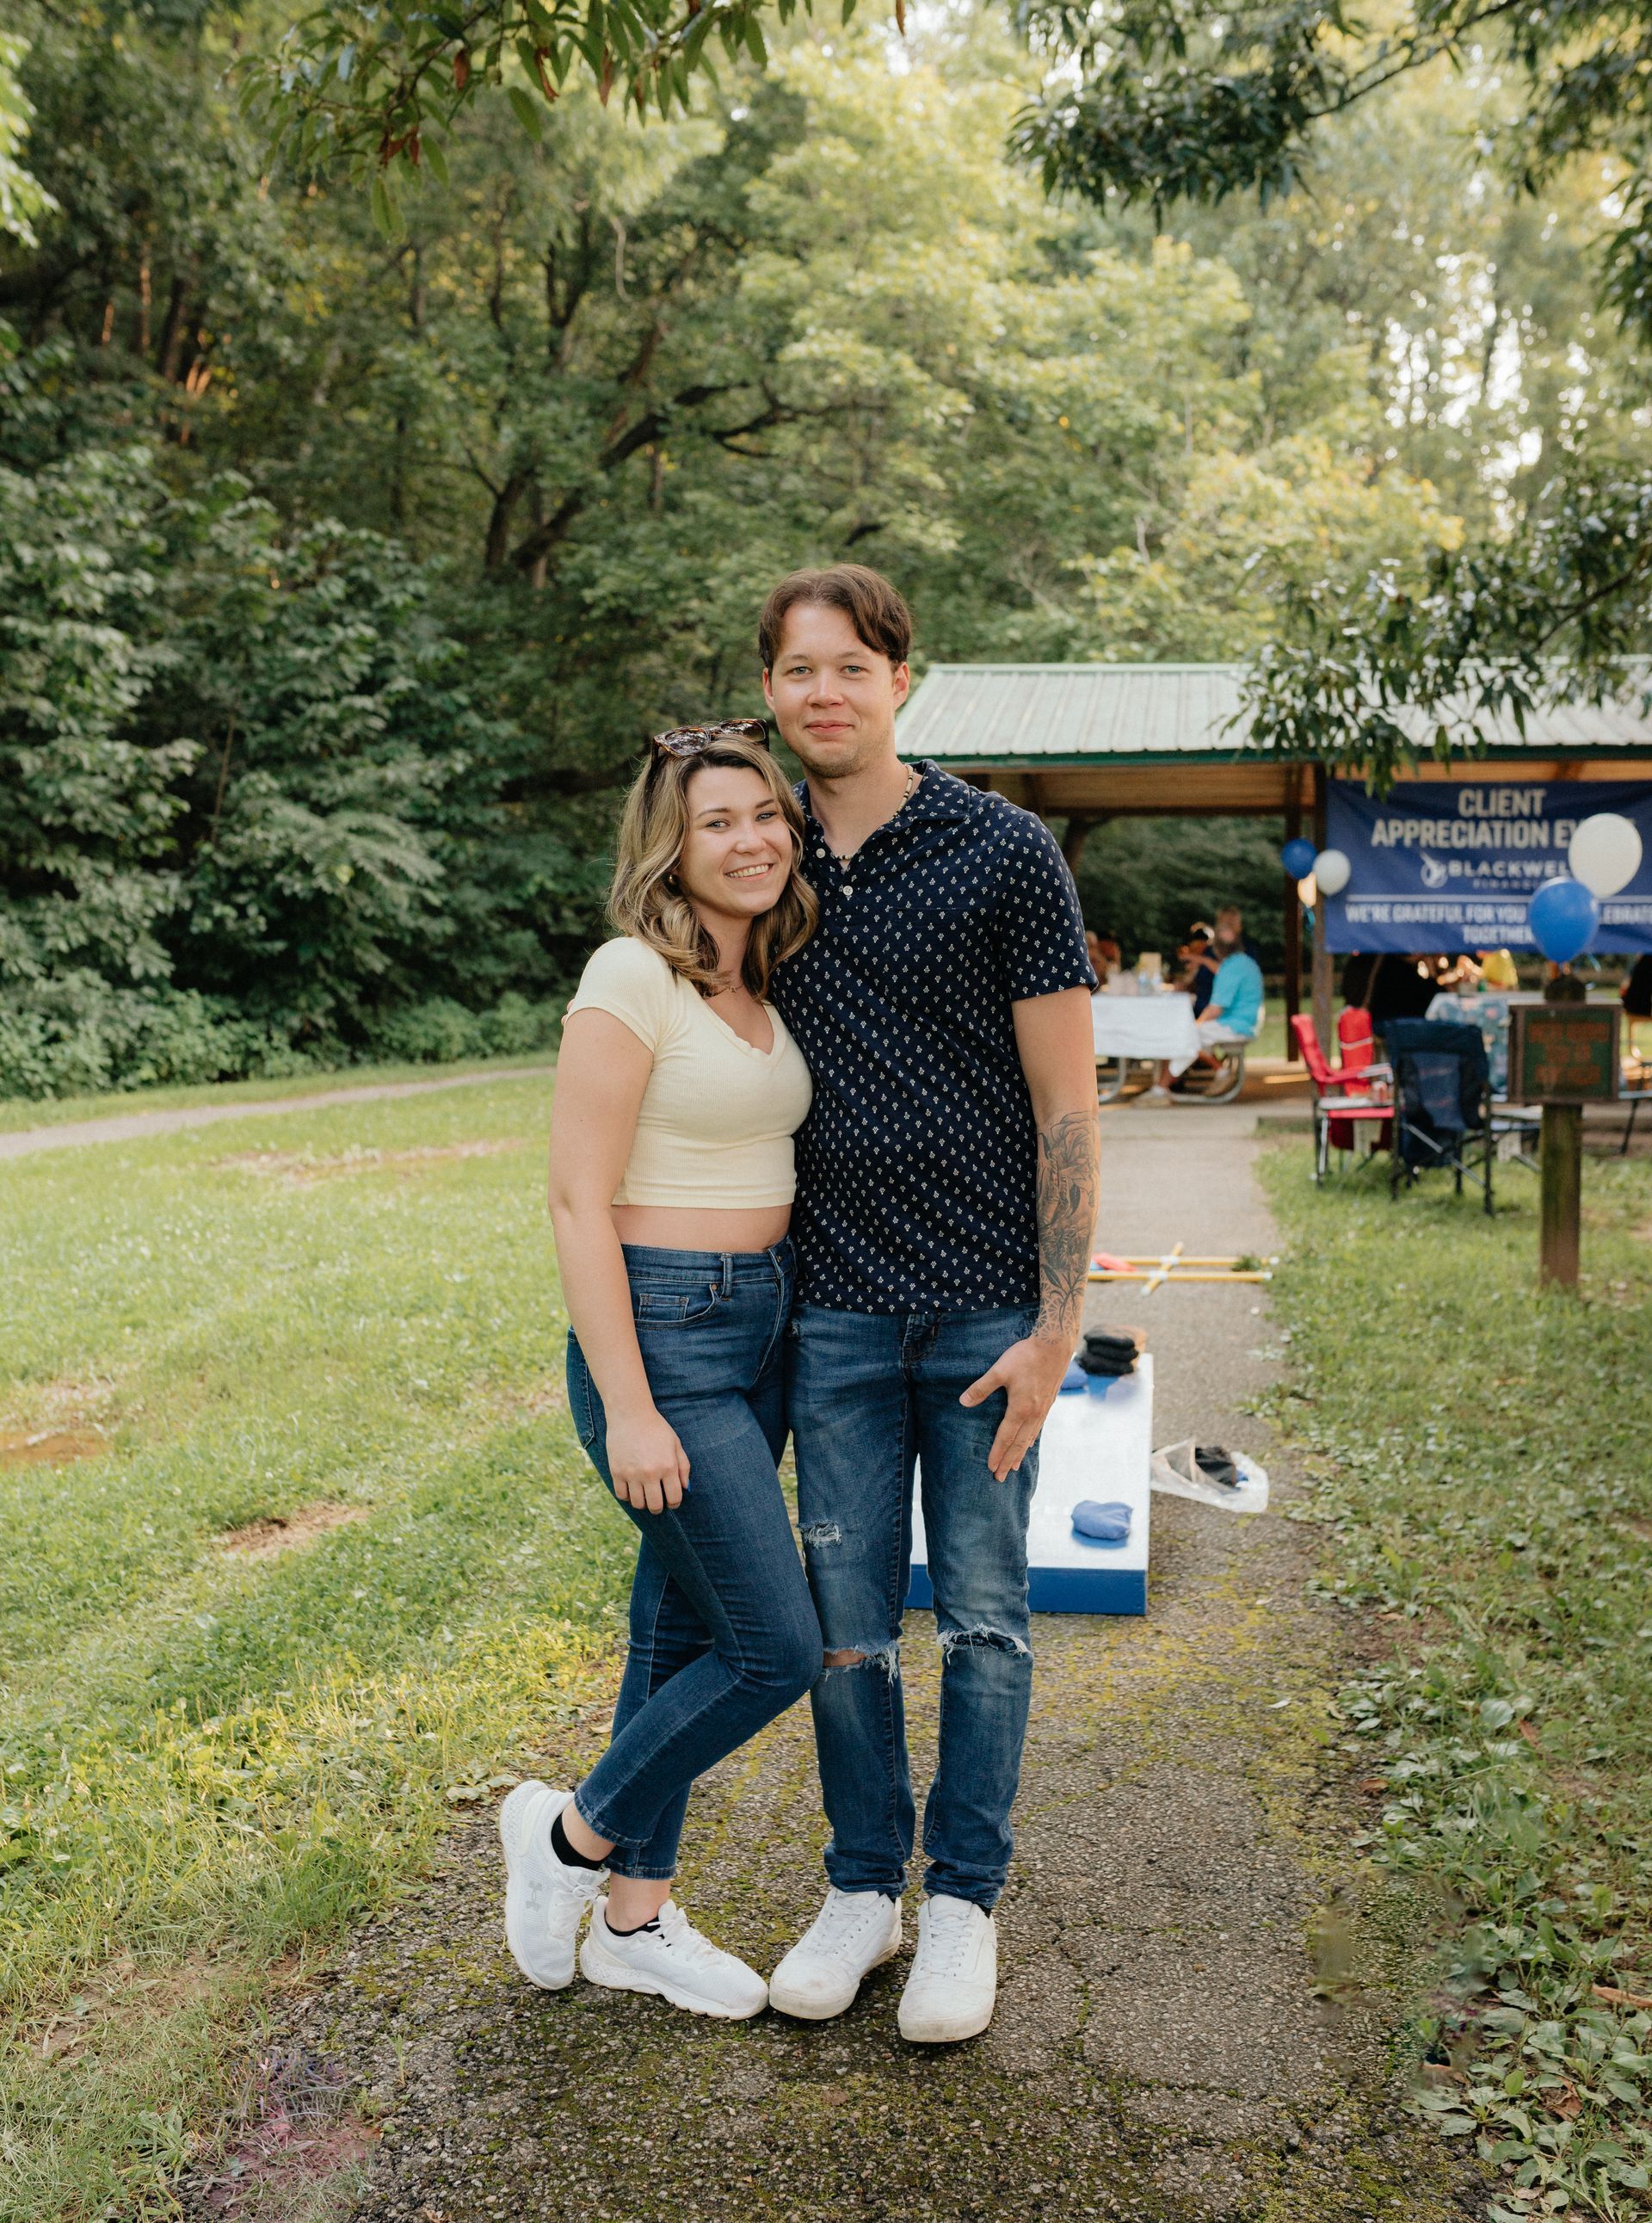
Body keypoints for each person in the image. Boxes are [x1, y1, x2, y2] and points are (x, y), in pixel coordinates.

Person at [757, 565, 1100, 2045]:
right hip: (827, 1309)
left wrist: (1059, 1321)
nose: (822, 690)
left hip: (979, 1311)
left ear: (906, 675)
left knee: (983, 1619)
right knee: (844, 1624)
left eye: (850, 665)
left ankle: (962, 1897)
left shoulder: (1006, 852)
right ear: (770, 690)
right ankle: (860, 1885)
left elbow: (1069, 1106)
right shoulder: (756, 855)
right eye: (795, 669)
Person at [501, 722, 822, 2021]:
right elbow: (578, 1198)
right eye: (717, 822)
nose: (750, 839)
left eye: (766, 815)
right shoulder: (629, 974)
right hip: (664, 1334)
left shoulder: (769, 978)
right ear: (670, 847)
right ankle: (570, 1838)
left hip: (766, 1328)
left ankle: (634, 1917)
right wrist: (629, 1401)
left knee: (683, 1626)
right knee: (775, 1646)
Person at [1150, 905, 1263, 1098]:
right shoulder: (1241, 963)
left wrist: (1196, 1024)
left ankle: (1162, 1089)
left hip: (1236, 1025)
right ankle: (1168, 1085)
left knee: (1185, 1033)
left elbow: (1215, 1010)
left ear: (1217, 950)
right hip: (1243, 1022)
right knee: (1188, 1034)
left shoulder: (1231, 968)